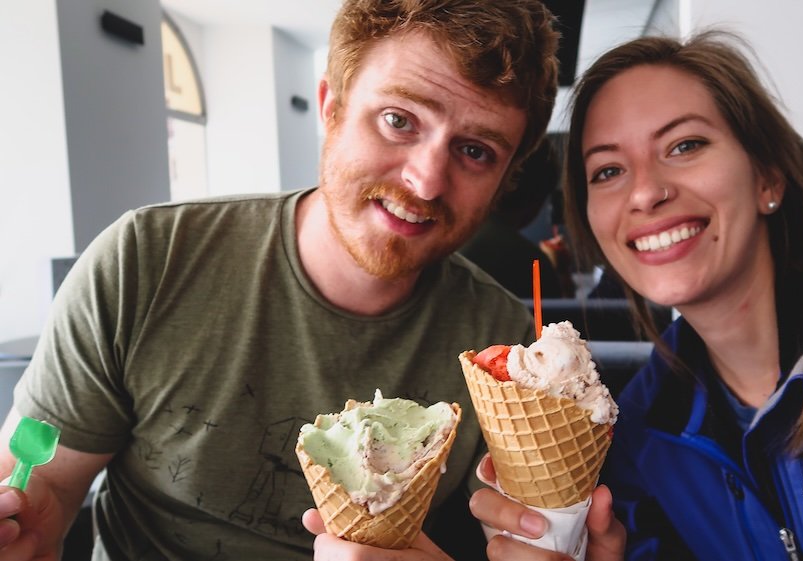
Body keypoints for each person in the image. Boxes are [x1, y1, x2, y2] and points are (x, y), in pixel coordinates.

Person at [0, 1, 559, 559]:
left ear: (504, 180)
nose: (427, 180)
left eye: (475, 151)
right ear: (331, 108)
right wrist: (25, 523)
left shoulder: (508, 351)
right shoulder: (145, 261)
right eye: (398, 119)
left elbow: (521, 536)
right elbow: (42, 483)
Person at [471, 31, 803, 560]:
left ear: (768, 175)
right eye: (608, 170)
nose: (645, 192)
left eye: (685, 145)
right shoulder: (640, 437)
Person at [460, 136, 565, 299]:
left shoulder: (446, 238)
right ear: (537, 200)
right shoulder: (531, 263)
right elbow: (558, 320)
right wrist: (560, 274)